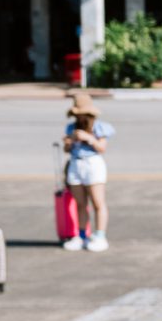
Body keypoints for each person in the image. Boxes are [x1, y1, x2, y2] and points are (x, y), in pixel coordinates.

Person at [61, 90, 114, 251]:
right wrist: (70, 142)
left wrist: (88, 138)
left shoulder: (99, 127)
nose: (80, 118)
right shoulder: (71, 128)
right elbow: (66, 149)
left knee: (98, 202)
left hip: (93, 164)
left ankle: (100, 235)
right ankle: (81, 235)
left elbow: (102, 148)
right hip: (76, 164)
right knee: (80, 203)